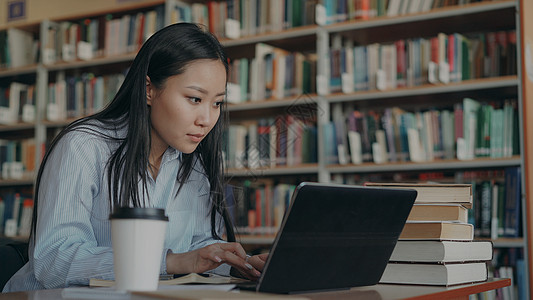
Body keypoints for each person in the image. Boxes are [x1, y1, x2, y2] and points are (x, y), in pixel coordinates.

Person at [3, 22, 267, 292]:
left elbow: (195, 252)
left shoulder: (193, 163)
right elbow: (54, 261)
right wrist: (169, 261)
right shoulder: (84, 146)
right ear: (149, 89)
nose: (207, 119)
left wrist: (237, 263)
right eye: (194, 99)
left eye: (217, 103)